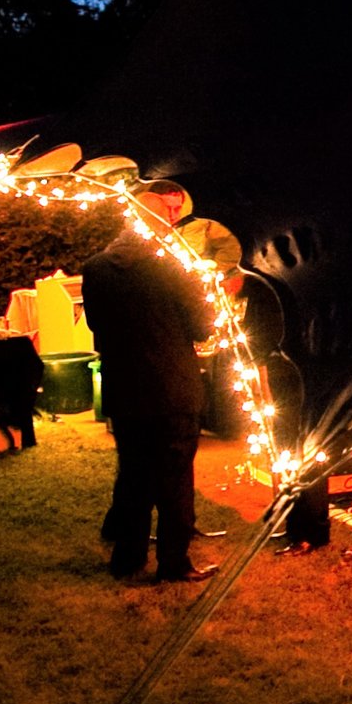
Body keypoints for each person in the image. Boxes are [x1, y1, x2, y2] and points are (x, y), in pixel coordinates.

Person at [80, 216, 214, 582]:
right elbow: (203, 326)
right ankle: (173, 562)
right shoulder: (171, 269)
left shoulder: (95, 269)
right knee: (174, 480)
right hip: (173, 389)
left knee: (134, 476)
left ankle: (128, 558)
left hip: (125, 389)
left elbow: (94, 324)